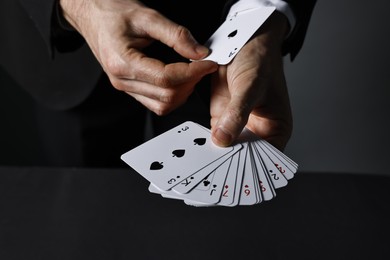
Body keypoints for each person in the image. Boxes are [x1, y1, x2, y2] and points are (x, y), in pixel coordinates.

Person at [0, 0, 316, 167]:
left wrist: (260, 20)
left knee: (215, 225)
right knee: (85, 225)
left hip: (216, 48)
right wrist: (80, 5)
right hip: (67, 57)